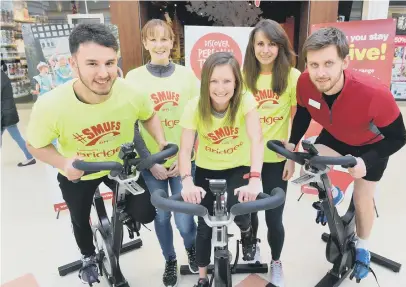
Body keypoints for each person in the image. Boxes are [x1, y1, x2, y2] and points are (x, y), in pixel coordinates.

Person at [25, 23, 167, 286]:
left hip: (119, 168)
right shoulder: (51, 105)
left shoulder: (130, 92)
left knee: (146, 213)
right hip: (79, 169)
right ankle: (88, 256)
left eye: (110, 63)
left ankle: (122, 216)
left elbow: (149, 115)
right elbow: (35, 145)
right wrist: (63, 162)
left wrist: (160, 140)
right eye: (92, 64)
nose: (104, 74)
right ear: (73, 63)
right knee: (79, 218)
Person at [286, 27, 406, 281]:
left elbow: (399, 137)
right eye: (314, 64)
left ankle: (363, 248)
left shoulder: (374, 93)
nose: (320, 73)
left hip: (371, 145)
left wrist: (366, 161)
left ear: (345, 61)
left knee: (363, 201)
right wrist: (291, 144)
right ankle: (333, 195)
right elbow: (304, 111)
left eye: (329, 63)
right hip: (336, 135)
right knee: (310, 168)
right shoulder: (305, 82)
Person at [178, 52, 263, 287]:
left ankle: (247, 234)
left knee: (241, 211)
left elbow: (256, 139)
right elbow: (185, 150)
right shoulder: (194, 106)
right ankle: (203, 278)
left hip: (239, 166)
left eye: (227, 81)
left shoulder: (245, 100)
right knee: (205, 224)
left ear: (236, 82)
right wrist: (186, 181)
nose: (220, 88)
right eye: (214, 81)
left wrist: (255, 178)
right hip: (207, 168)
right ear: (205, 81)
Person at [125, 19, 200, 287]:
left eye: (164, 39)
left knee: (184, 217)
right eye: (153, 39)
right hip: (151, 164)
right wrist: (149, 162)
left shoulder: (187, 76)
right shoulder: (132, 78)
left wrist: (184, 160)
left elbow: (197, 119)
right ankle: (169, 259)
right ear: (145, 43)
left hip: (183, 160)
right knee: (161, 215)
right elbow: (131, 125)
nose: (159, 44)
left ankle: (191, 249)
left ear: (172, 43)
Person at [241, 18, 299, 287]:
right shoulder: (242, 76)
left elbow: (299, 116)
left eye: (272, 44)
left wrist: (292, 155)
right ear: (252, 46)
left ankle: (276, 261)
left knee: (274, 216)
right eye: (260, 44)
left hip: (276, 158)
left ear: (281, 47)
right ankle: (249, 242)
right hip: (245, 157)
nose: (265, 50)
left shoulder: (292, 76)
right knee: (246, 210)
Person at [1, 67, 36, 167]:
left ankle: (30, 157)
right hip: (7, 112)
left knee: (17, 137)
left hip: (5, 113)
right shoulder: (3, 76)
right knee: (17, 136)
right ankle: (30, 156)